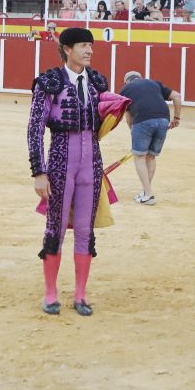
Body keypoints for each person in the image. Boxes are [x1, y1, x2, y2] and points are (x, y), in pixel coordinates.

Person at [27, 28, 112, 317]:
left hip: (92, 162)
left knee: (86, 230)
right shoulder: (49, 82)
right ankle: (51, 293)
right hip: (61, 161)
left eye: (91, 46)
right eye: (83, 46)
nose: (89, 51)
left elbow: (106, 119)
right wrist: (39, 171)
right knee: (56, 227)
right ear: (67, 49)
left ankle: (80, 295)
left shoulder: (97, 82)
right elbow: (35, 129)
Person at [119, 70, 183, 205]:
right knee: (151, 156)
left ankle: (148, 194)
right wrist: (176, 118)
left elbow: (129, 117)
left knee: (140, 157)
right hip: (163, 120)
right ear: (141, 78)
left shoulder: (126, 89)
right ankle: (146, 192)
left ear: (126, 81)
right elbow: (177, 96)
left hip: (142, 120)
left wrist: (133, 131)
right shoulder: (154, 83)